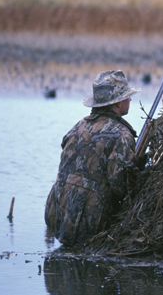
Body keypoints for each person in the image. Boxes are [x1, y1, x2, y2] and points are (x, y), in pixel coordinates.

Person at [45, 70, 142, 248]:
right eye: (127, 96)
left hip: (56, 215)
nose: (130, 100)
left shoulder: (77, 127)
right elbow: (121, 187)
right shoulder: (122, 135)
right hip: (88, 223)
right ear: (118, 103)